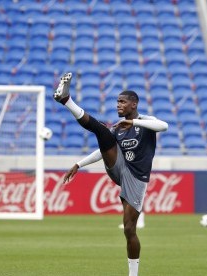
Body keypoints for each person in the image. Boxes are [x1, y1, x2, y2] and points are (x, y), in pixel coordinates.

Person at [53, 72, 168, 276]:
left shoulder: (144, 121)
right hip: (118, 169)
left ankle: (133, 274)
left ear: (134, 104)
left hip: (136, 178)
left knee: (129, 229)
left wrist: (135, 123)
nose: (118, 105)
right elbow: (103, 151)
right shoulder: (118, 129)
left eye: (122, 102)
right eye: (117, 102)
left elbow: (164, 126)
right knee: (103, 132)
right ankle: (66, 99)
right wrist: (79, 164)